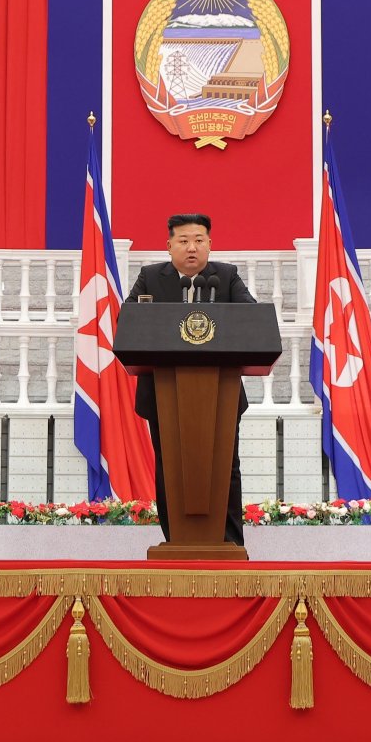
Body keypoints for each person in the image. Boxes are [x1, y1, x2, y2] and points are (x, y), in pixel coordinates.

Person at [124, 213, 255, 546]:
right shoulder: (150, 278)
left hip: (220, 397)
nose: (192, 247)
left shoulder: (226, 277)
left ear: (210, 244)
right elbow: (130, 324)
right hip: (164, 395)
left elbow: (253, 321)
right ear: (169, 246)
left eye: (199, 240)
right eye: (183, 241)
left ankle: (230, 541)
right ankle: (177, 539)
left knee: (226, 466)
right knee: (171, 467)